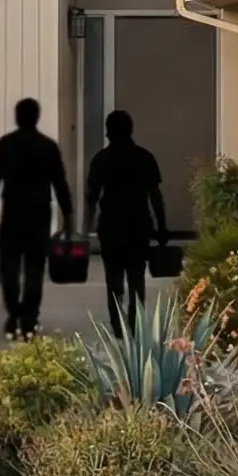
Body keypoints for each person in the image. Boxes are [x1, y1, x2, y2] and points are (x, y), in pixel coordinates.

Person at [0, 97, 74, 340]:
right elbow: (60, 184)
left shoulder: (6, 145)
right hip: (39, 213)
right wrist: (68, 217)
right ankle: (30, 317)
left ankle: (14, 314)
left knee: (10, 267)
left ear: (17, 116)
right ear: (37, 117)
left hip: (13, 212)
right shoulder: (48, 147)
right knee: (34, 267)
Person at [81, 108, 165, 333]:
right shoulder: (144, 157)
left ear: (108, 131)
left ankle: (117, 324)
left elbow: (91, 198)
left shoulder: (100, 160)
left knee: (113, 278)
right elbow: (155, 196)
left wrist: (83, 232)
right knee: (137, 278)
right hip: (138, 225)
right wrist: (162, 226)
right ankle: (135, 323)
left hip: (111, 226)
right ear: (130, 130)